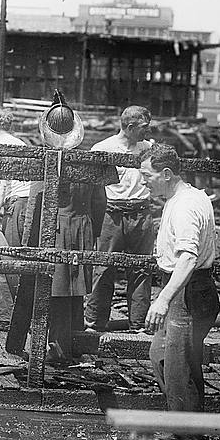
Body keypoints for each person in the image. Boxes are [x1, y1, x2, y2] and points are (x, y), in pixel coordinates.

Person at [139, 143, 219, 440]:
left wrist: (163, 299)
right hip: (185, 289)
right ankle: (180, 424)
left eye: (147, 176)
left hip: (188, 290)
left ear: (167, 174)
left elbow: (187, 259)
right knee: (161, 355)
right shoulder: (182, 197)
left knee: (180, 366)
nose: (143, 181)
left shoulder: (186, 206)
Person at [32, 91, 107, 359]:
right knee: (75, 290)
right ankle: (72, 341)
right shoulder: (89, 160)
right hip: (82, 226)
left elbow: (37, 201)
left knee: (55, 291)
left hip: (56, 228)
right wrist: (92, 230)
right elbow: (100, 202)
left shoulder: (44, 160)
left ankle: (58, 346)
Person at [86, 105, 156, 332]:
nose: (148, 131)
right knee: (104, 268)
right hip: (111, 214)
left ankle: (138, 326)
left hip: (141, 214)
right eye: (144, 127)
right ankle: (95, 323)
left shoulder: (149, 148)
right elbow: (90, 186)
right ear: (130, 126)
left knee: (141, 269)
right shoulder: (103, 148)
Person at [0, 109, 33, 330]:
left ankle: (4, 317)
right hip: (26, 204)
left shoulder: (2, 148)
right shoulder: (19, 143)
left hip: (17, 207)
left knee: (6, 256)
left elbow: (1, 185)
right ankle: (11, 311)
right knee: (18, 256)